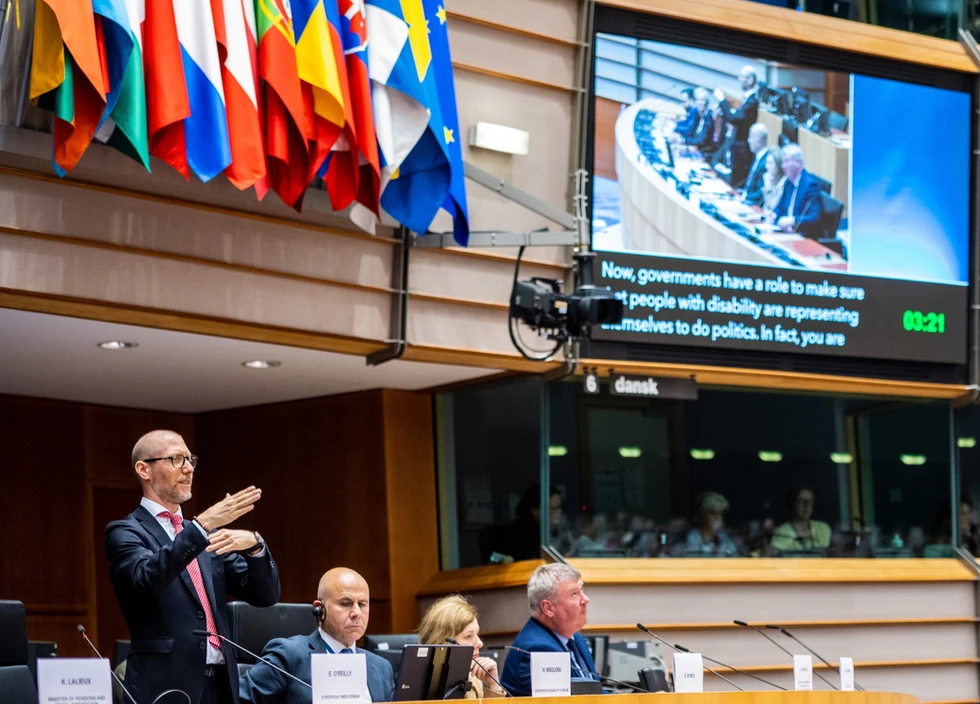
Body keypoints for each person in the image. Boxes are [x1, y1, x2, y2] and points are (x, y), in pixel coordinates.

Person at [105, 430, 280, 704]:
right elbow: (145, 578)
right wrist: (201, 526)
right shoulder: (125, 531)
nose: (188, 468)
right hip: (165, 684)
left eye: (190, 459)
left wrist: (255, 545)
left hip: (222, 685)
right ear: (144, 469)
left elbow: (265, 596)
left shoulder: (201, 535)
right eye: (176, 459)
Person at [240, 568, 395, 704]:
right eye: (345, 603)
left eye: (362, 604)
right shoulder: (290, 656)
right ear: (319, 609)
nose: (357, 613)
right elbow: (236, 699)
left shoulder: (381, 668)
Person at [499, 563, 597, 696]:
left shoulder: (574, 638)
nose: (586, 599)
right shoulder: (536, 649)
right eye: (574, 594)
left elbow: (596, 693)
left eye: (582, 591)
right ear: (548, 608)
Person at [417, 595, 507, 699]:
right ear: (442, 642)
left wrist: (493, 685)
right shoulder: (419, 686)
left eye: (477, 634)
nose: (479, 643)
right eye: (468, 636)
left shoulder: (473, 680)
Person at [714, 66, 760, 186]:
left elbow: (735, 119)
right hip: (738, 146)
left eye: (742, 77)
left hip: (742, 150)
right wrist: (723, 113)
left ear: (750, 80)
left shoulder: (752, 101)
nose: (739, 79)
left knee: (735, 182)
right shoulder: (747, 99)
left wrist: (721, 100)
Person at [769, 143, 823, 236]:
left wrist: (793, 220)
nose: (783, 166)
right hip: (785, 233)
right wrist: (774, 214)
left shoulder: (810, 185)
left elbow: (815, 217)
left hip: (802, 236)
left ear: (797, 162)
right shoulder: (788, 182)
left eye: (786, 161)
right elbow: (780, 206)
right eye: (783, 162)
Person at [771, 486, 832, 552]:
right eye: (801, 501)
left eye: (810, 501)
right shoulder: (781, 532)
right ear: (792, 504)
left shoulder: (823, 529)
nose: (806, 505)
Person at [683, 492, 739, 557]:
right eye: (713, 513)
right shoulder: (693, 537)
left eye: (720, 514)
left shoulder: (723, 537)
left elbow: (735, 557)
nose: (718, 518)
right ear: (703, 514)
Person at [742, 123, 770, 206]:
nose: (748, 140)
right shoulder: (759, 156)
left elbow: (760, 193)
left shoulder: (765, 162)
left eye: (750, 137)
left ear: (758, 141)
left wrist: (745, 196)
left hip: (753, 205)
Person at [760, 147, 785, 213]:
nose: (766, 166)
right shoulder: (771, 178)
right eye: (767, 163)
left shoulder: (784, 182)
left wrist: (767, 187)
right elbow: (765, 209)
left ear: (779, 166)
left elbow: (774, 207)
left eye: (770, 163)